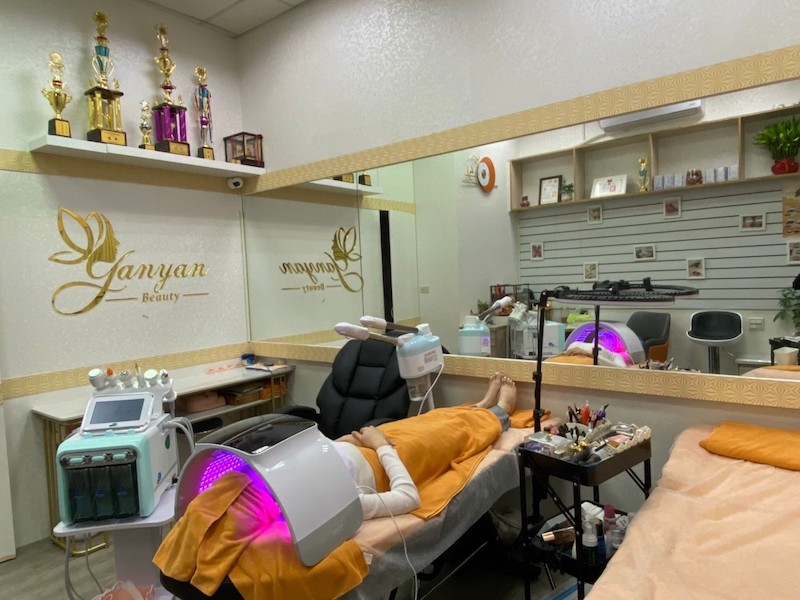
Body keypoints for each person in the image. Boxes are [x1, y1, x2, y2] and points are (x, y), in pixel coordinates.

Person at [332, 373, 517, 519]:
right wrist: (380, 446)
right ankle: (500, 411)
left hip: (365, 445)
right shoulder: (337, 503)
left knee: (432, 418)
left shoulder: (314, 471)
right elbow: (408, 498)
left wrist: (344, 441)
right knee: (450, 432)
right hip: (385, 462)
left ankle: (481, 406)